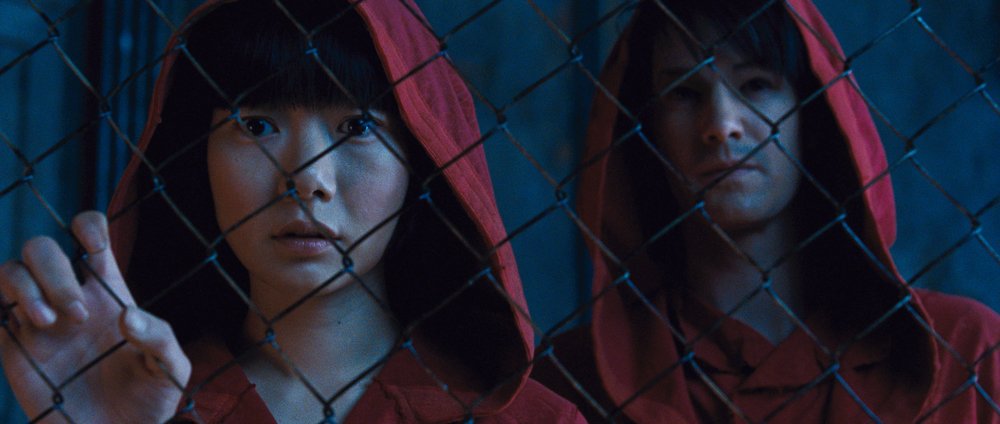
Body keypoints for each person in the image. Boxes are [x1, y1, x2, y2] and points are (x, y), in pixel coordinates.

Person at [0, 0, 585, 422]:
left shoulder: (529, 419)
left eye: (357, 127)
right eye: (256, 126)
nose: (307, 178)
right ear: (199, 157)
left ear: (421, 160)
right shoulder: (134, 396)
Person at [532, 0, 1000, 422]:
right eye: (684, 93)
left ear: (811, 114)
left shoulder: (962, 354)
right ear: (647, 131)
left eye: (755, 85)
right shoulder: (572, 383)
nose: (721, 125)